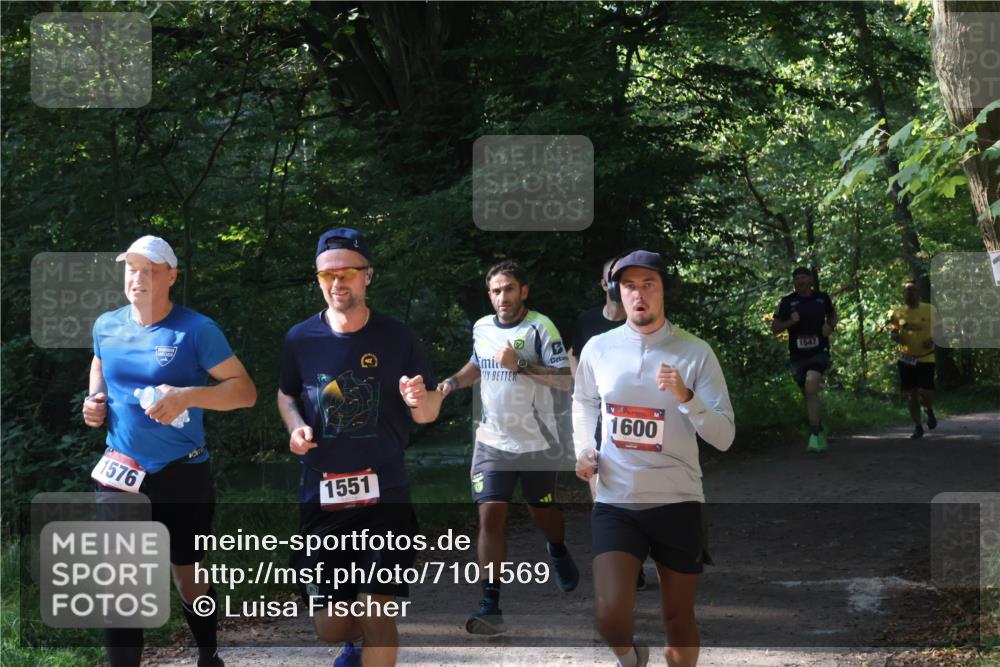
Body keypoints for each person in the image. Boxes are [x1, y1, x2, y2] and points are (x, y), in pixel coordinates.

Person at [82, 235, 258, 667]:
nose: (137, 278)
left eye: (149, 270)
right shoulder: (107, 324)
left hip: (184, 472)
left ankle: (207, 654)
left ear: (171, 276)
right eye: (131, 269)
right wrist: (94, 400)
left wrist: (188, 396)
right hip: (122, 471)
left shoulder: (197, 329)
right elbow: (100, 362)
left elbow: (245, 392)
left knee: (189, 578)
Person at [277, 227, 441, 667]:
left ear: (368, 275)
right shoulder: (300, 339)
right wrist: (295, 426)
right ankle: (356, 643)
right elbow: (286, 394)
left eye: (347, 272)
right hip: (322, 494)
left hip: (384, 491)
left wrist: (421, 400)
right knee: (330, 624)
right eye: (326, 275)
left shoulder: (398, 337)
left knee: (376, 606)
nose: (337, 283)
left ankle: (372, 639)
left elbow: (427, 412)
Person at [573, 250, 734, 667]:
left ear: (664, 290)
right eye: (629, 286)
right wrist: (583, 450)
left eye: (649, 284)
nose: (639, 294)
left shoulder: (695, 352)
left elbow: (724, 436)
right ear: (616, 293)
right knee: (609, 617)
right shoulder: (599, 349)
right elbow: (584, 402)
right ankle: (631, 657)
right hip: (616, 501)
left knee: (678, 618)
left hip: (678, 501)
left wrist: (686, 398)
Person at [437, 260, 578, 635]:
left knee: (542, 512)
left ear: (523, 291)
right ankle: (490, 604)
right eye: (497, 290)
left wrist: (521, 366)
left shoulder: (541, 328)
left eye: (510, 289)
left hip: (537, 441)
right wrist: (451, 383)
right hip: (492, 441)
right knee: (491, 514)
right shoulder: (482, 327)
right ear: (490, 295)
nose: (503, 296)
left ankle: (558, 548)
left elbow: (566, 381)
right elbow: (476, 365)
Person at [569, 255, 648, 590]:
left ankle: (639, 553)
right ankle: (621, 563)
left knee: (636, 493)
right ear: (604, 284)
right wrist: (584, 392)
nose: (618, 284)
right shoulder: (586, 321)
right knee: (601, 493)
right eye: (612, 278)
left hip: (636, 420)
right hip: (597, 417)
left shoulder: (641, 322)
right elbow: (575, 355)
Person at [771, 267, 838, 452]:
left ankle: (815, 435)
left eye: (803, 278)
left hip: (819, 350)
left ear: (810, 281)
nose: (800, 282)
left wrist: (830, 326)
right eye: (796, 279)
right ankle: (819, 425)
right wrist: (790, 322)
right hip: (798, 355)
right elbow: (775, 327)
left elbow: (832, 315)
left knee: (811, 385)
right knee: (808, 393)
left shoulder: (822, 298)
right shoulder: (787, 302)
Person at [888, 282, 943, 439]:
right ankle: (918, 426)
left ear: (918, 292)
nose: (910, 293)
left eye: (912, 290)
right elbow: (893, 332)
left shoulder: (929, 309)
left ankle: (929, 409)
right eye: (907, 291)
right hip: (906, 358)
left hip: (926, 356)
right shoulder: (897, 313)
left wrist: (932, 340)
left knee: (924, 389)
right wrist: (895, 337)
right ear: (903, 293)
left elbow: (940, 331)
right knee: (911, 394)